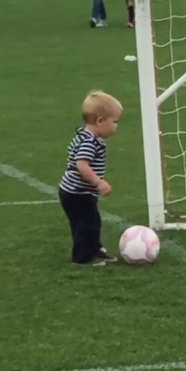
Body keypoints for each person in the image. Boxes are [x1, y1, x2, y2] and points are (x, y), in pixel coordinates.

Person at [58, 90, 123, 266]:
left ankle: (93, 248)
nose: (116, 126)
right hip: (77, 193)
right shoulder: (89, 141)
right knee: (88, 223)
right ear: (100, 121)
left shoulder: (85, 136)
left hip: (73, 191)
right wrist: (98, 182)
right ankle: (83, 257)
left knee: (85, 222)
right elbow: (81, 164)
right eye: (114, 121)